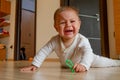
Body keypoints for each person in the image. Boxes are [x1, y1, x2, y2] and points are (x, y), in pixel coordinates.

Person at [20, 6, 120, 72]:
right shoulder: (54, 41)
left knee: (106, 63)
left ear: (79, 24)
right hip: (69, 65)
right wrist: (35, 64)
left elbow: (88, 53)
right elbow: (44, 51)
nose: (68, 25)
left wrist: (84, 65)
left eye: (72, 21)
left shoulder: (82, 40)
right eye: (63, 22)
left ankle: (117, 62)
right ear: (56, 27)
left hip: (90, 60)